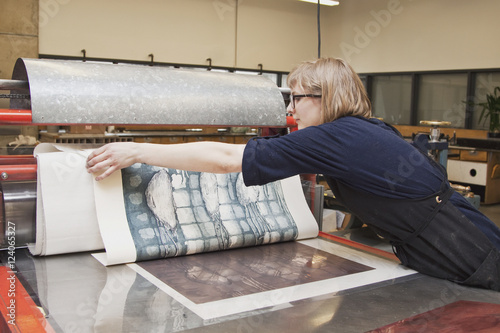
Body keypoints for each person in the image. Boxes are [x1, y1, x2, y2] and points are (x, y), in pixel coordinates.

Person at [86, 57, 500, 291]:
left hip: (464, 248)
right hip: (456, 234)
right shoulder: (363, 129)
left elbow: (228, 159)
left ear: (326, 99)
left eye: (297, 98)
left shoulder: (335, 138)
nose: (291, 110)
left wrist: (137, 150)